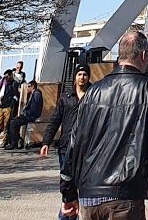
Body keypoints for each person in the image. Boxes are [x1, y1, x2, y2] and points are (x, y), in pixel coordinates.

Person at [67, 25, 148, 219]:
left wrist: (68, 193)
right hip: (125, 194)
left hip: (89, 194)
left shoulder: (93, 92)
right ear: (143, 56)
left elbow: (74, 143)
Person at [40, 64, 91, 212]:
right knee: (67, 181)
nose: (82, 77)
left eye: (85, 74)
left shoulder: (94, 95)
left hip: (86, 146)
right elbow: (55, 121)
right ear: (75, 77)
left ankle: (84, 212)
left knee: (85, 181)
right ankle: (67, 214)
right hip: (66, 146)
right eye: (79, 74)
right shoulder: (65, 98)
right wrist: (46, 142)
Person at [8, 79, 44, 149]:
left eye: (29, 86)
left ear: (33, 86)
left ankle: (14, 143)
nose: (28, 88)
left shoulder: (36, 94)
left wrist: (25, 113)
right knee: (13, 121)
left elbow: (34, 107)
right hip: (29, 115)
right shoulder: (33, 93)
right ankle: (17, 140)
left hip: (31, 116)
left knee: (13, 123)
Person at [0, 65, 20, 147]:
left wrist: (11, 106)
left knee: (6, 124)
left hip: (8, 107)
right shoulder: (4, 84)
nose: (6, 78)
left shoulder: (14, 84)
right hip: (2, 106)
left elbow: (16, 96)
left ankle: (4, 140)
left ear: (10, 75)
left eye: (7, 76)